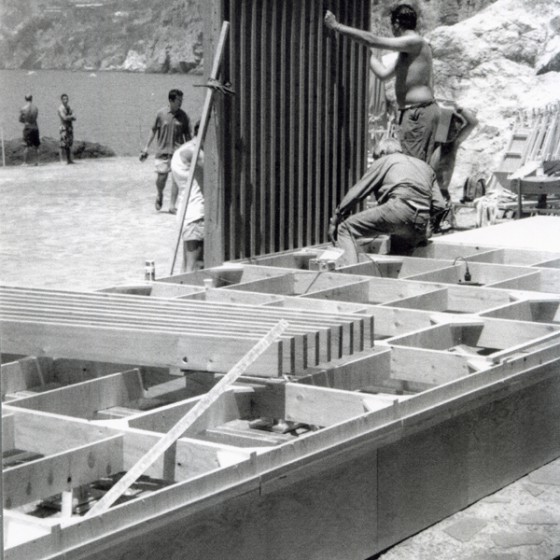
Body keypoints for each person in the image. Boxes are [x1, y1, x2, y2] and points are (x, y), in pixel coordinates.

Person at [325, 4, 439, 163]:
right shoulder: (408, 51)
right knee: (415, 164)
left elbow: (373, 40)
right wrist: (364, 51)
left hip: (417, 113)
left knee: (412, 166)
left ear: (396, 24)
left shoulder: (414, 41)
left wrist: (337, 26)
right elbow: (383, 74)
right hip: (415, 112)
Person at [328, 138, 446, 265]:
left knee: (345, 229)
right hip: (420, 222)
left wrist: (336, 217)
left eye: (376, 157)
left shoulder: (385, 160)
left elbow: (357, 192)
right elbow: (440, 205)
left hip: (398, 209)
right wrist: (421, 219)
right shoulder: (425, 167)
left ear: (383, 152)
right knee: (398, 255)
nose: (375, 161)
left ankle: (350, 273)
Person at [140, 89, 192, 214]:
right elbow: (153, 130)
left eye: (182, 100)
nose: (181, 102)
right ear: (171, 100)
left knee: (176, 179)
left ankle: (172, 206)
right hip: (162, 151)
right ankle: (159, 193)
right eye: (178, 100)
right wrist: (146, 147)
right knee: (161, 178)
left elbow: (188, 136)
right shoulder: (161, 114)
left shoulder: (184, 116)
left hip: (178, 153)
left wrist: (190, 152)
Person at [171, 121, 204, 272]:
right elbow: (216, 169)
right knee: (196, 265)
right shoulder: (194, 152)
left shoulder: (181, 150)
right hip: (197, 215)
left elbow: (174, 184)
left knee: (186, 266)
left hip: (187, 212)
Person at [430, 106, 478, 201]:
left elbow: (473, 123)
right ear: (446, 129)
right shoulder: (436, 142)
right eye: (453, 130)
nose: (455, 133)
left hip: (443, 192)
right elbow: (444, 114)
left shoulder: (453, 144)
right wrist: (449, 108)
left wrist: (460, 109)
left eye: (457, 131)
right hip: (430, 190)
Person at [19, 93, 40, 166]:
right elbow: (35, 118)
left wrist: (25, 121)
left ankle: (25, 162)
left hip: (28, 127)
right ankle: (37, 161)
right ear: (32, 98)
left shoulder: (23, 108)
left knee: (26, 145)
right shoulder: (36, 108)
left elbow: (20, 119)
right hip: (35, 126)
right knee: (36, 145)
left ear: (25, 99)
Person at [58, 93, 76, 164]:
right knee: (62, 143)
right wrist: (71, 117)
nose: (66, 100)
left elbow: (75, 117)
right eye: (64, 99)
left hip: (69, 127)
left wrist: (70, 117)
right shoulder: (60, 108)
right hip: (63, 127)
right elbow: (64, 118)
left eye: (66, 99)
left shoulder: (69, 107)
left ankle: (69, 160)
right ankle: (61, 160)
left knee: (69, 144)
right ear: (62, 100)